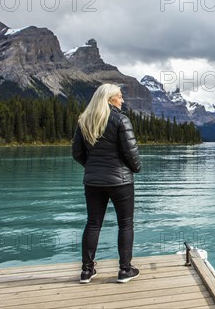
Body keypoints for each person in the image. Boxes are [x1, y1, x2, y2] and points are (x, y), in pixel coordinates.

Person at [72, 84, 142, 284]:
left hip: (93, 182)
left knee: (93, 223)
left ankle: (86, 271)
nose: (122, 100)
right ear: (111, 99)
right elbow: (131, 151)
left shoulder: (84, 120)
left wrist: (92, 167)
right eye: (120, 97)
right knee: (125, 223)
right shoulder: (121, 119)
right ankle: (125, 270)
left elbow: (76, 153)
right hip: (121, 181)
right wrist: (136, 168)